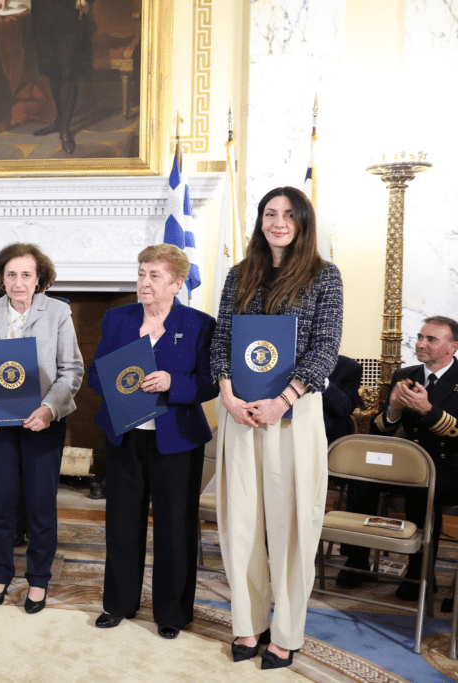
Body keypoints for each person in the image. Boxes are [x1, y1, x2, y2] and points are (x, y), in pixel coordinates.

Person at [211, 186, 343, 669]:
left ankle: (286, 633)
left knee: (291, 528)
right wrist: (226, 392)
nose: (278, 221)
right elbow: (221, 338)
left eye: (288, 214)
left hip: (294, 413)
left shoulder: (325, 277)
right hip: (240, 412)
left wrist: (283, 399)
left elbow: (326, 346)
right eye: (270, 213)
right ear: (260, 221)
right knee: (241, 523)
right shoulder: (238, 274)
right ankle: (247, 625)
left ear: (303, 222)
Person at [87, 244, 218, 639]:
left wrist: (171, 383)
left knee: (175, 528)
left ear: (177, 283)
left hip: (177, 440)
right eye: (141, 273)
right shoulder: (117, 318)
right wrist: (114, 383)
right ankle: (119, 604)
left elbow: (210, 383)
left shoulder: (199, 324)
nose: (144, 282)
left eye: (154, 276)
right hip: (125, 436)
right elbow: (95, 374)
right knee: (122, 524)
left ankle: (172, 614)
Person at [0, 242, 84, 614]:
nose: (18, 282)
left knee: (40, 505)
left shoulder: (59, 313)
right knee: (0, 503)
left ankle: (38, 581)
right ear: (2, 278)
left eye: (26, 275)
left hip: (43, 423)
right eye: (11, 274)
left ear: (39, 280)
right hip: (0, 424)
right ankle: (0, 574)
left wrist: (50, 409)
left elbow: (72, 371)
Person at [335, 317, 458, 598]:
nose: (421, 343)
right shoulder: (406, 375)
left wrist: (428, 410)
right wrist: (393, 409)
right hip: (406, 459)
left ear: (453, 347)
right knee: (362, 479)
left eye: (431, 339)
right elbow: (381, 429)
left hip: (448, 465)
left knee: (422, 488)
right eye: (420, 337)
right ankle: (356, 561)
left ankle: (419, 573)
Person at [0, 0, 94, 154]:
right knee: (53, 70)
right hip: (42, 14)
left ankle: (65, 130)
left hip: (69, 11)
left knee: (68, 70)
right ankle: (58, 121)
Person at [323, 354, 362, 446]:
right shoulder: (285, 363)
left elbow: (345, 408)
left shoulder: (348, 367)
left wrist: (322, 380)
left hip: (328, 440)